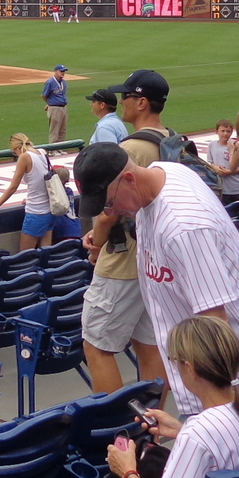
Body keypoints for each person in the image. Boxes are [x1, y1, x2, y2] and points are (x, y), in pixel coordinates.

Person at [74, 141, 239, 419]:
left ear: (129, 179)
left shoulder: (183, 228)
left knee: (221, 456)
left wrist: (219, 405)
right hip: (206, 359)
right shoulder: (164, 171)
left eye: (109, 203)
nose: (110, 213)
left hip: (226, 368)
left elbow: (215, 320)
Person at [104, 316, 239, 478]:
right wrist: (182, 431)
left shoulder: (198, 434)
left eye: (175, 361)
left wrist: (127, 470)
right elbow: (232, 444)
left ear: (190, 369)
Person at [79, 70, 171, 396]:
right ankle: (152, 431)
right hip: (159, 262)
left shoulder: (130, 149)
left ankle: (115, 430)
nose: (124, 102)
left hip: (123, 263)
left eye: (129, 97)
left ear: (142, 102)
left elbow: (110, 208)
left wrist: (96, 239)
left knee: (97, 346)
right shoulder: (171, 139)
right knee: (149, 345)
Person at [0, 134, 67, 249]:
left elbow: (13, 187)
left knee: (26, 256)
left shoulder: (24, 157)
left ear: (16, 148)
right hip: (49, 210)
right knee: (46, 251)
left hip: (36, 211)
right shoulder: (42, 152)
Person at [207, 120, 239, 205]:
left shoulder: (236, 145)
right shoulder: (212, 145)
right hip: (221, 188)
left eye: (228, 131)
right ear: (216, 131)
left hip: (236, 187)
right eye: (222, 131)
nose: (225, 134)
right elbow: (211, 162)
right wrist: (216, 168)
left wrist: (230, 172)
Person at [43, 65, 69, 144]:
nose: (63, 73)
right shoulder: (50, 82)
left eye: (64, 71)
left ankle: (60, 148)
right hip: (55, 108)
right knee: (55, 130)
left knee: (62, 130)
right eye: (61, 71)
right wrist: (50, 104)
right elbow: (44, 95)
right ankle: (52, 150)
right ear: (56, 71)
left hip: (63, 108)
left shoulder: (63, 83)